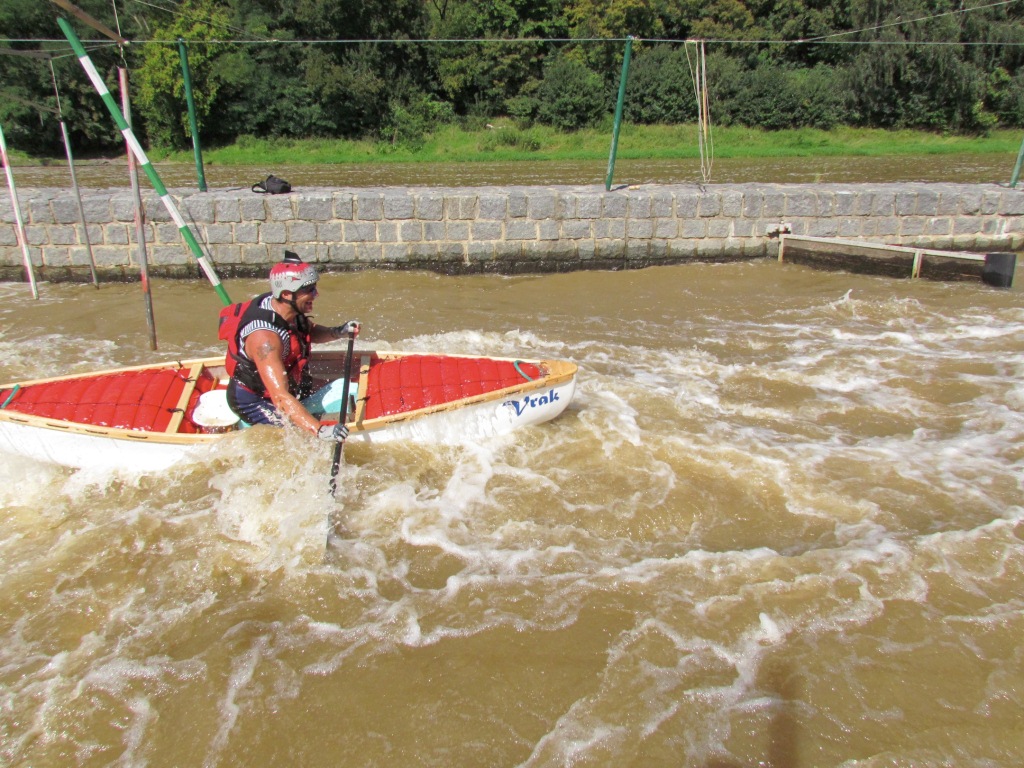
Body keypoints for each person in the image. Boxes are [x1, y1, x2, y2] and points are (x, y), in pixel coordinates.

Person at [221, 251, 360, 442]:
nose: (316, 294)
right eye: (309, 290)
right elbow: (280, 397)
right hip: (254, 400)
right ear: (286, 293)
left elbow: (307, 330)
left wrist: (338, 332)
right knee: (298, 437)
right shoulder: (265, 339)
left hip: (290, 384)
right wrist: (319, 431)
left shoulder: (288, 307)